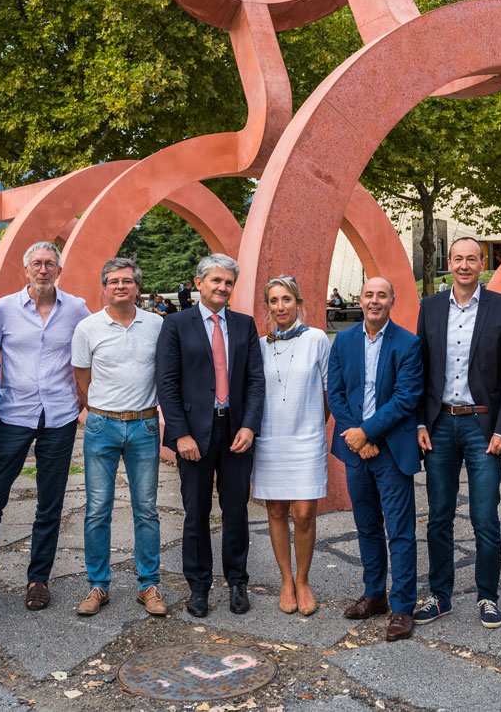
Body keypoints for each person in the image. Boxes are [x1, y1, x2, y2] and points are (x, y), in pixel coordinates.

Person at [0, 242, 90, 612]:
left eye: (50, 264)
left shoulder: (77, 308)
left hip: (59, 416)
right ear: (25, 269)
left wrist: (84, 395)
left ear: (59, 270)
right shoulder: (4, 309)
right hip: (13, 414)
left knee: (50, 502)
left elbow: (91, 350)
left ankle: (38, 579)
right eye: (37, 264)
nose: (43, 269)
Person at [414, 236, 501, 630]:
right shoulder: (429, 308)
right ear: (449, 263)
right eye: (457, 258)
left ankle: (487, 597)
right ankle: (440, 595)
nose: (463, 265)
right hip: (439, 425)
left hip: (483, 428)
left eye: (471, 259)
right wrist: (420, 422)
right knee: (439, 516)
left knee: (484, 518)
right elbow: (419, 370)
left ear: (482, 264)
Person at [158, 254, 266, 617]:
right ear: (199, 282)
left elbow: (255, 381)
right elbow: (167, 384)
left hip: (235, 431)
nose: (222, 287)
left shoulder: (244, 325)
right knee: (196, 512)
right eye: (216, 281)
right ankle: (199, 586)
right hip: (193, 436)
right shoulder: (175, 324)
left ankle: (237, 582)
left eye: (228, 282)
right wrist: (180, 434)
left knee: (235, 511)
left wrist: (250, 425)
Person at [327, 276, 423, 642]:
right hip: (356, 450)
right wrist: (356, 436)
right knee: (366, 526)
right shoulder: (344, 341)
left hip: (391, 450)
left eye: (382, 294)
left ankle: (402, 607)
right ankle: (374, 595)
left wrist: (368, 432)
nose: (374, 300)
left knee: (400, 530)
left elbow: (406, 397)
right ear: (360, 300)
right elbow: (335, 392)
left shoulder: (408, 344)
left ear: (391, 301)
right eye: (369, 294)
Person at [71, 257, 166, 618]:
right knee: (97, 509)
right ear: (104, 287)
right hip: (102, 425)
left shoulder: (157, 325)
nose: (120, 286)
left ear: (138, 288)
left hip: (143, 425)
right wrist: (97, 408)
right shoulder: (88, 328)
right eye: (113, 281)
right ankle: (98, 585)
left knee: (147, 509)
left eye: (127, 280)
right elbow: (82, 379)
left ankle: (148, 585)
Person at [253, 275, 331, 616]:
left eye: (286, 299)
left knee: (304, 513)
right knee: (275, 511)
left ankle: (303, 579)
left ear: (298, 303)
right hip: (270, 438)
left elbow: (329, 391)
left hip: (307, 437)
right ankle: (286, 580)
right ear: (268, 306)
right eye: (274, 301)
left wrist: (313, 423)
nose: (281, 306)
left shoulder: (317, 339)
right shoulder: (259, 345)